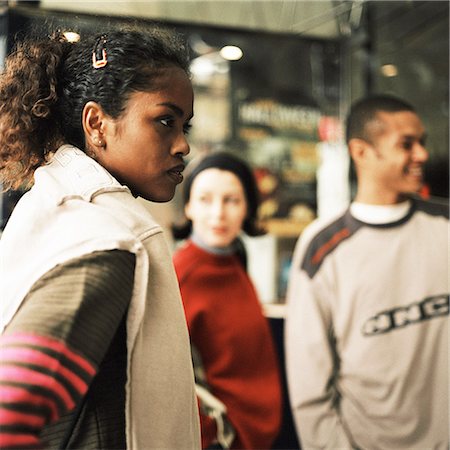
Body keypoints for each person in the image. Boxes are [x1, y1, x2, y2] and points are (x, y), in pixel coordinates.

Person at [0, 27, 201, 449]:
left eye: (185, 125)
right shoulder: (108, 240)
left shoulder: (55, 203)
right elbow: (10, 408)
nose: (183, 145)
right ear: (97, 124)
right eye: (165, 121)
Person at [285, 95, 449, 449]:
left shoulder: (444, 225)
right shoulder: (322, 248)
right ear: (361, 152)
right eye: (406, 145)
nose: (421, 155)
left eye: (422, 142)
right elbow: (310, 388)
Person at [172, 152, 282, 449]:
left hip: (261, 434)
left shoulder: (235, 258)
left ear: (247, 207)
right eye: (206, 199)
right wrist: (215, 436)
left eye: (231, 200)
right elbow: (167, 378)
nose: (218, 214)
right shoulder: (181, 276)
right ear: (189, 207)